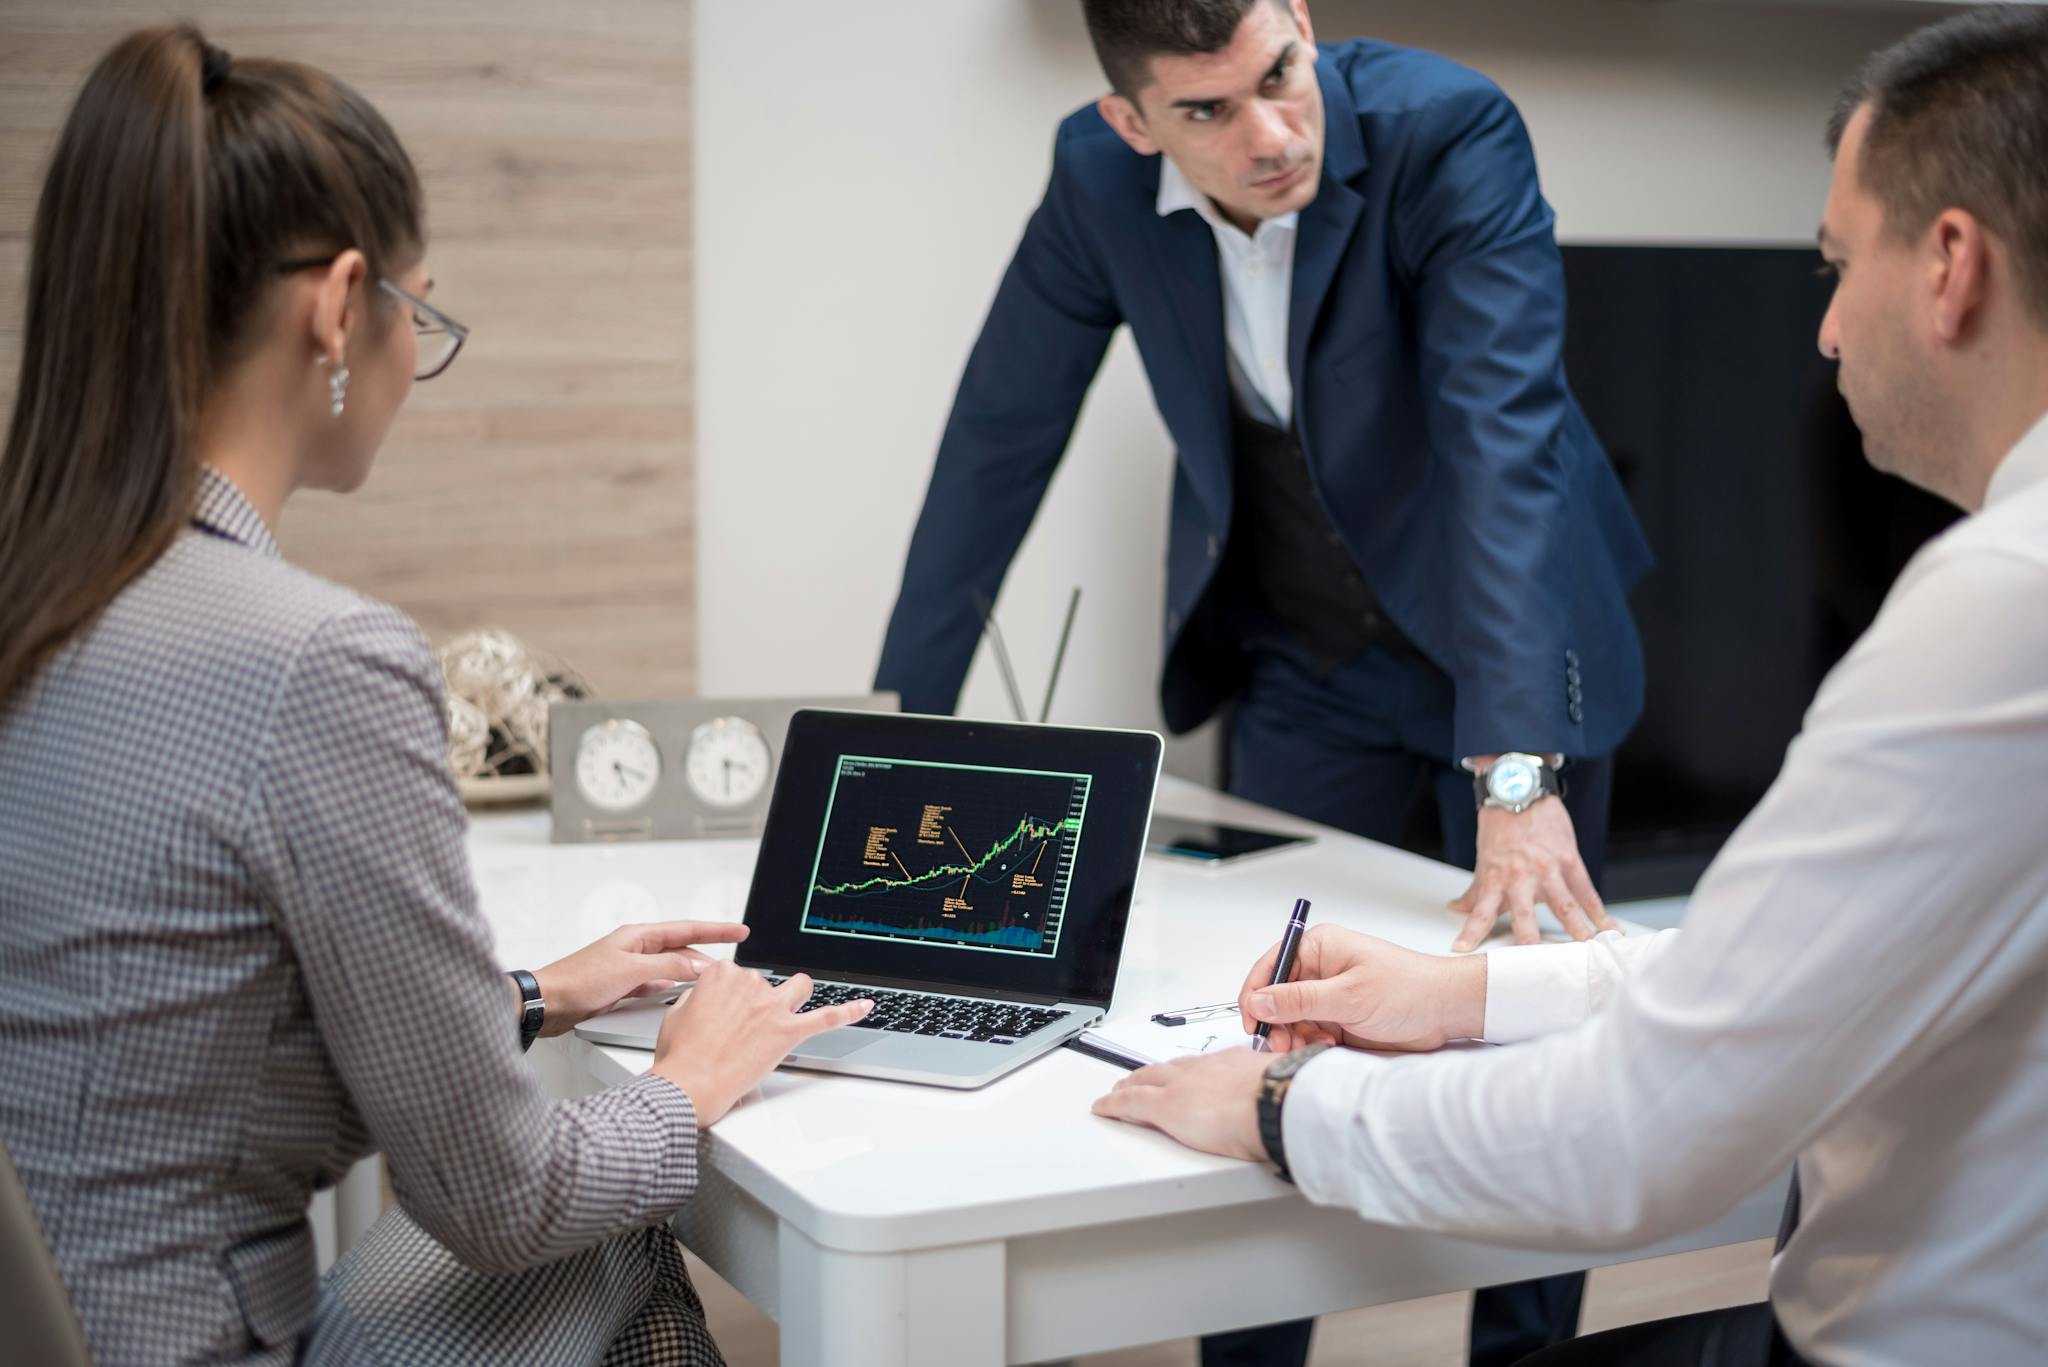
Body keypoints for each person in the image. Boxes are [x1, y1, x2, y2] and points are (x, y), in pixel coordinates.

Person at [1093, 10, 2048, 1363]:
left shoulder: (1997, 610)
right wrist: (1464, 998)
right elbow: (1780, 983)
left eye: (1837, 266)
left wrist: (1275, 1108)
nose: (1828, 331)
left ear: (1951, 266)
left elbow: (1640, 1136)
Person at [0, 27, 871, 1365]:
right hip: (216, 1340)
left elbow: (168, 1027)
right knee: (616, 1208)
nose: (417, 351)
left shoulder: (43, 599)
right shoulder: (317, 662)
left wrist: (522, 997)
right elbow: (505, 1203)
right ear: (340, 307)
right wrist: (688, 1082)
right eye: (425, 312)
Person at [875, 1, 1646, 1358]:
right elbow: (998, 438)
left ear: (1300, 18)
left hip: (1513, 651)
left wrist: (1520, 769)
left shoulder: (1446, 131)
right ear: (1132, 121)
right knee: (1271, 1008)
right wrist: (895, 737)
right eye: (1209, 112)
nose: (1274, 133)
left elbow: (1503, 443)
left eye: (1282, 76)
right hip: (1303, 657)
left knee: (1540, 1038)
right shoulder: (1095, 179)